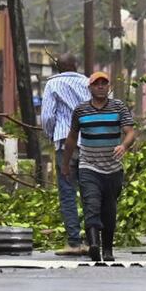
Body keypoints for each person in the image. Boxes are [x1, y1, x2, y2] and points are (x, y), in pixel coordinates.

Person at [61, 72, 135, 262]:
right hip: (89, 167)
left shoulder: (118, 107)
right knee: (91, 205)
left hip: (113, 169)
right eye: (96, 84)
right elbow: (71, 138)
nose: (100, 86)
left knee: (109, 209)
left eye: (104, 83)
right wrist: (66, 164)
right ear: (90, 88)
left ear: (109, 87)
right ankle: (94, 245)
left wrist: (124, 146)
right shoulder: (81, 110)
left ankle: (107, 250)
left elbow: (130, 132)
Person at [39, 53, 91, 256]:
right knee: (90, 192)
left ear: (57, 67)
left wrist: (51, 134)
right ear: (75, 65)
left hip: (64, 145)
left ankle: (74, 242)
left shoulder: (52, 85)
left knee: (68, 192)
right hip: (89, 144)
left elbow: (47, 117)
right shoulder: (89, 83)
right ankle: (92, 240)